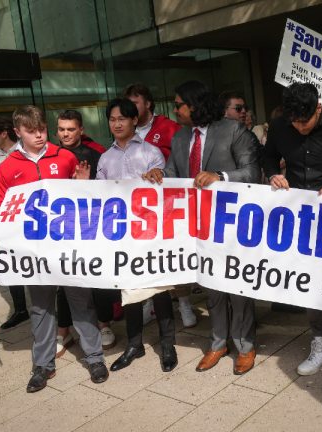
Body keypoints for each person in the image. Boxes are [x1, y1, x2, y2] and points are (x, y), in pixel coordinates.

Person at [143, 80, 260, 375]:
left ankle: (245, 345)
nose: (175, 109)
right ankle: (218, 342)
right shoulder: (182, 138)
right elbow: (174, 172)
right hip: (199, 226)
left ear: (194, 105)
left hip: (232, 224)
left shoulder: (234, 130)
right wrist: (160, 173)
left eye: (179, 103)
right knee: (212, 286)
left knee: (236, 286)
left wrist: (220, 176)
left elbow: (252, 172)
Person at [0, 105, 108, 392]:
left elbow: (83, 201)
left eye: (42, 129)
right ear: (17, 132)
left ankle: (94, 357)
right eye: (32, 132)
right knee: (42, 307)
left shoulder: (65, 156)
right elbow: (2, 209)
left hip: (68, 246)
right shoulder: (7, 167)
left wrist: (83, 185)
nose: (40, 136)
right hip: (34, 253)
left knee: (81, 301)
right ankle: (43, 364)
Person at [263, 82, 322, 390]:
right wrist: (273, 174)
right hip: (299, 217)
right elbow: (266, 157)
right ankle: (321, 341)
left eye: (305, 121)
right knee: (308, 282)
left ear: (318, 108)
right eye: (294, 122)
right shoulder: (280, 127)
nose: (300, 127)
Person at [95, 98, 178, 373]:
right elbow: (99, 197)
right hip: (123, 236)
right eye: (112, 119)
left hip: (152, 233)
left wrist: (160, 173)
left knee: (160, 290)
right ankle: (134, 345)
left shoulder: (152, 152)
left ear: (133, 120)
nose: (117, 124)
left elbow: (167, 186)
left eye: (122, 118)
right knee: (128, 291)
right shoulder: (105, 159)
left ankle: (168, 344)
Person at [123, 83, 197, 329]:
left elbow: (181, 158)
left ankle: (184, 302)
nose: (130, 108)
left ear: (148, 104)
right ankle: (148, 304)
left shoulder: (169, 127)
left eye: (135, 103)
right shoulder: (126, 131)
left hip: (169, 202)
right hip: (140, 207)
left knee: (173, 254)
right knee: (146, 256)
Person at [55, 109, 117, 353]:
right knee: (63, 278)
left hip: (93, 226)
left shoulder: (97, 154)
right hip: (63, 229)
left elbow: (107, 193)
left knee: (97, 275)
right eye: (61, 129)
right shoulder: (50, 156)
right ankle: (63, 331)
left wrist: (85, 185)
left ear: (81, 129)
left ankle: (104, 324)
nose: (66, 134)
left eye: (71, 129)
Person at [0, 117, 29, 330]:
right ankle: (21, 308)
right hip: (7, 220)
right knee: (12, 262)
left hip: (31, 218)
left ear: (3, 133)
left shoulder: (28, 152)